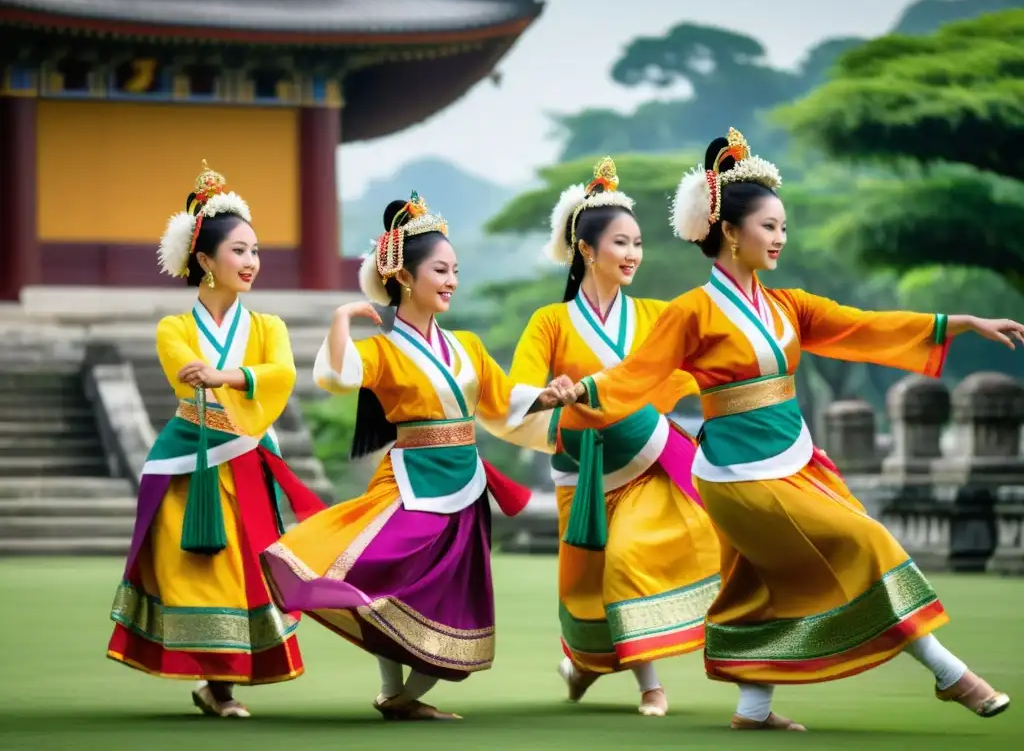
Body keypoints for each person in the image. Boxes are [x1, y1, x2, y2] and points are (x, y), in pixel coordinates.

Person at [558, 129, 1018, 731]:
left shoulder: (787, 305)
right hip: (736, 472)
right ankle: (951, 673)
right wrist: (578, 392)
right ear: (730, 232)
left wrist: (958, 322)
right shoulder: (690, 311)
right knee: (865, 541)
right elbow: (636, 374)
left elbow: (863, 326)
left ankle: (753, 710)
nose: (779, 238)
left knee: (755, 581)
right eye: (768, 226)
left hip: (792, 458)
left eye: (782, 227)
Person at [261, 192, 574, 721]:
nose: (451, 280)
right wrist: (340, 321)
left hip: (465, 485)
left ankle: (401, 697)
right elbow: (336, 377)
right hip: (410, 482)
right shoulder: (381, 350)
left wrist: (548, 395)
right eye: (440, 270)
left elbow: (501, 405)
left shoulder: (468, 345)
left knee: (455, 590)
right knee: (381, 574)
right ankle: (395, 692)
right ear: (404, 277)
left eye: (455, 270)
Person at [106, 162, 327, 718]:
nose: (252, 262)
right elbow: (183, 367)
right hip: (188, 467)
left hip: (244, 465)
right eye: (239, 251)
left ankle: (219, 684)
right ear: (204, 261)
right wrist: (208, 373)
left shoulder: (268, 327)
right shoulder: (173, 328)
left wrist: (227, 376)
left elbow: (280, 375)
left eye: (255, 251)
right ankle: (217, 684)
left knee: (242, 572)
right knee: (197, 572)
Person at [508, 157, 720, 717]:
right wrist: (548, 393)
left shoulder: (655, 315)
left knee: (629, 558)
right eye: (621, 242)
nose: (632, 254)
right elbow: (520, 388)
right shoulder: (549, 323)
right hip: (584, 471)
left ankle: (651, 685)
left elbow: (705, 363)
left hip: (650, 458)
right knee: (590, 585)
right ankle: (580, 667)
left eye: (638, 242)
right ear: (587, 249)